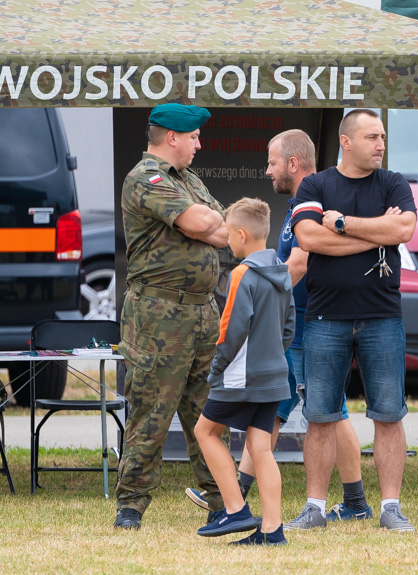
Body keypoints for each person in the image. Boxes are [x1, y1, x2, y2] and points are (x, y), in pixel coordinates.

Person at [184, 129, 372, 521]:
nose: (267, 170)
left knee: (330, 411)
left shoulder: (319, 200)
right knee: (273, 415)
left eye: (272, 162)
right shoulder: (297, 203)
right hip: (295, 326)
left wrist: (263, 297)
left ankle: (355, 502)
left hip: (310, 325)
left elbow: (299, 264)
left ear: (292, 163)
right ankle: (236, 496)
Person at [288, 109, 417, 532]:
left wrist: (343, 224)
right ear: (345, 141)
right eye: (371, 137)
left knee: (388, 414)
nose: (380, 144)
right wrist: (377, 230)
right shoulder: (316, 184)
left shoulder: (393, 182)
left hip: (382, 316)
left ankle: (391, 508)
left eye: (382, 136)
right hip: (326, 318)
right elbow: (308, 238)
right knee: (321, 416)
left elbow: (404, 231)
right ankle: (314, 508)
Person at [114, 104, 228, 530]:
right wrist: (197, 222)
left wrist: (201, 224)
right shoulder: (145, 177)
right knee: (152, 410)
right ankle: (131, 505)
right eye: (194, 136)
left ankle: (223, 501)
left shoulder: (189, 180)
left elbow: (224, 231)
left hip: (202, 311)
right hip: (158, 315)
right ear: (172, 137)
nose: (200, 143)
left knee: (210, 411)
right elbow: (202, 220)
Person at [194, 198, 293, 546]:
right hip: (274, 376)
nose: (227, 241)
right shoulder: (282, 271)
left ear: (241, 234)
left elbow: (230, 329)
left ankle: (235, 508)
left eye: (228, 234)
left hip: (239, 376)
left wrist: (217, 369)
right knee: (260, 447)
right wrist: (272, 359)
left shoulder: (241, 274)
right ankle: (272, 530)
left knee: (204, 431)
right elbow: (289, 327)